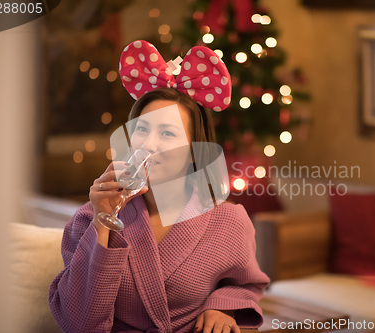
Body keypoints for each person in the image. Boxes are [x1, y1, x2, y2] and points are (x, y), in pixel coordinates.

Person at [49, 40, 271, 333]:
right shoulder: (88, 220)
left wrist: (221, 306)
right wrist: (102, 222)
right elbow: (79, 324)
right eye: (142, 129)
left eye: (167, 132)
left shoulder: (228, 222)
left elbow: (244, 285)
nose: (149, 144)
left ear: (195, 150)